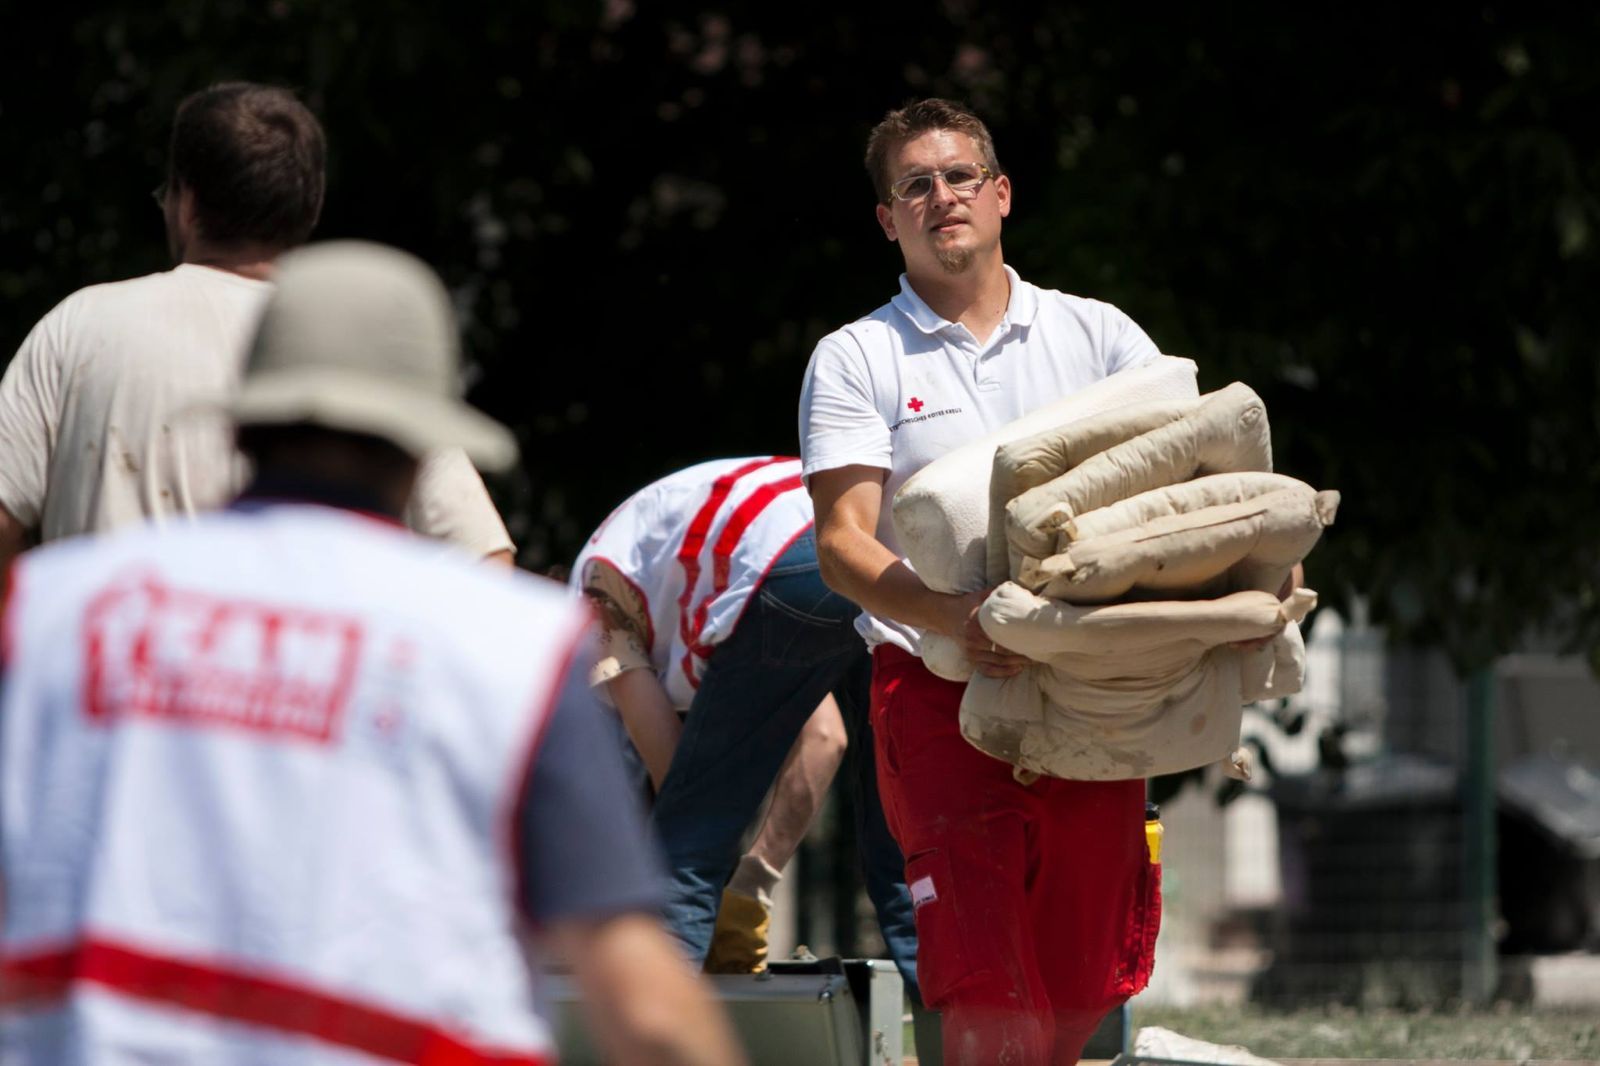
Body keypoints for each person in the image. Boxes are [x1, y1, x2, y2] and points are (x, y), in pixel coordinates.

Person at [0, 241, 744, 1066]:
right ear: (425, 448)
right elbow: (646, 1010)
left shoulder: (46, 613)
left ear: (243, 427)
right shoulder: (513, 649)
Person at [798, 98, 1166, 1064]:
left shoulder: (1098, 336)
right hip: (936, 693)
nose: (941, 197)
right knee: (982, 979)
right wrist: (949, 618)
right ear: (888, 218)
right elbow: (844, 543)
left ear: (1002, 195)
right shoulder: (855, 356)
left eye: (961, 177)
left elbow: (1193, 486)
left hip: (1094, 690)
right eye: (914, 185)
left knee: (1086, 978)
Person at [0, 82, 514, 579]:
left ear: (187, 203)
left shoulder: (79, 325)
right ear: (310, 210)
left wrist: (35, 633)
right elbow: (483, 560)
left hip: (107, 660)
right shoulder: (349, 344)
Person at [572, 458, 918, 995]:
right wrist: (753, 885)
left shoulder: (591, 596)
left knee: (684, 849)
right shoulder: (689, 598)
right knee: (907, 851)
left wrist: (701, 884)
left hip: (792, 553)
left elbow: (680, 782)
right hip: (889, 551)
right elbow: (825, 737)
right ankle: (963, 1037)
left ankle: (661, 1032)